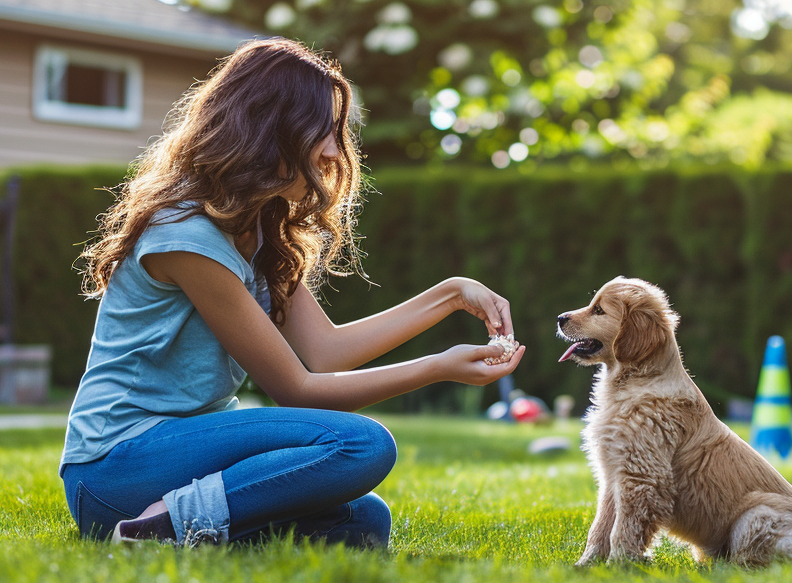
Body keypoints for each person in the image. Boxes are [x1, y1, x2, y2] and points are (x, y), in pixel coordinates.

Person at [59, 39, 524, 548]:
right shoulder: (187, 236)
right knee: (360, 443)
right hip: (114, 466)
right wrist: (438, 366)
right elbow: (297, 389)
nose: (333, 150)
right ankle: (166, 525)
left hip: (182, 456)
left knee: (364, 520)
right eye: (322, 129)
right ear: (269, 127)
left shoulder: (260, 230)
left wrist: (451, 295)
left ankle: (178, 526)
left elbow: (326, 354)